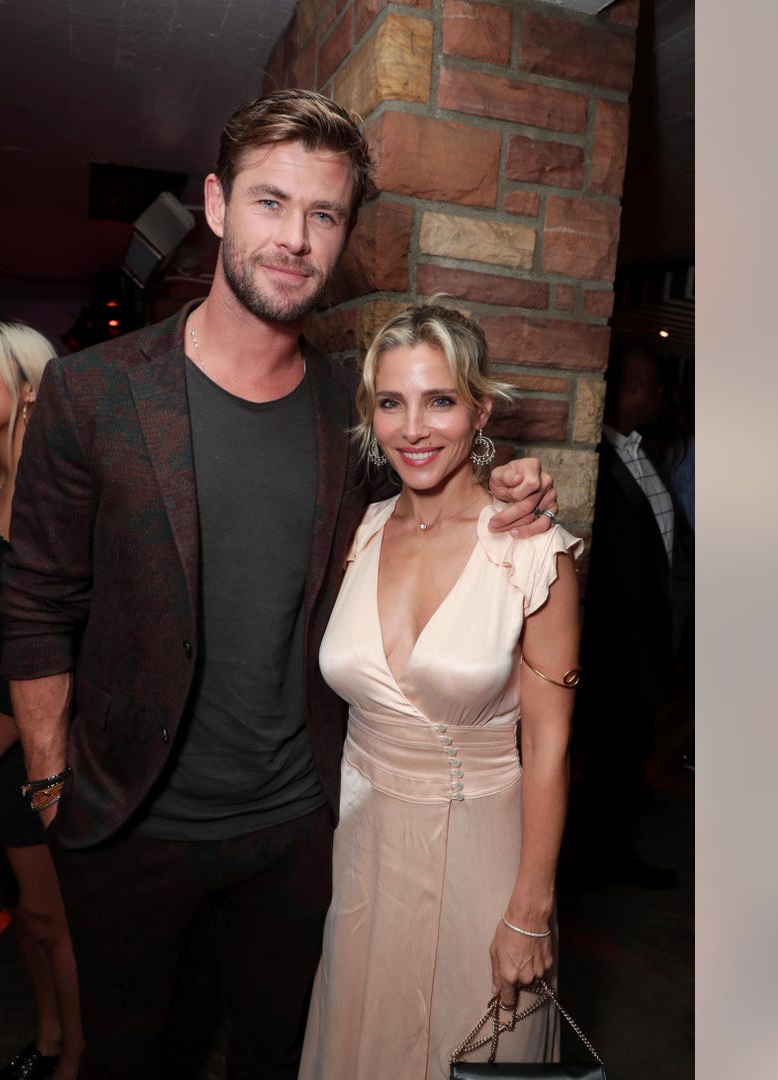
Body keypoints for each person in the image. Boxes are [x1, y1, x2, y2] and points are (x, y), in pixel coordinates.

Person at [0, 89, 560, 1080]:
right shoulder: (97, 393)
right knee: (128, 1059)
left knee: (278, 1055)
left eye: (324, 214)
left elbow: (438, 494)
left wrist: (511, 477)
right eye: (270, 202)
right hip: (130, 825)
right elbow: (38, 600)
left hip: (299, 829)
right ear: (217, 205)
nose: (294, 238)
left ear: (345, 233)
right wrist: (51, 779)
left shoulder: (352, 421)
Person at [298, 304, 582, 1077]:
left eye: (440, 400)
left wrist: (530, 910)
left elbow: (549, 745)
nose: (413, 428)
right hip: (364, 856)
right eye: (391, 402)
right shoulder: (356, 532)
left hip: (486, 860)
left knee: (470, 1046)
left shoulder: (534, 553)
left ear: (479, 410)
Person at [0, 320, 84, 1080]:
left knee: (53, 918)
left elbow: (47, 655)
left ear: (28, 386)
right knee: (19, 910)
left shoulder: (50, 506)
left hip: (21, 742)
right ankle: (45, 1040)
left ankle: (74, 1055)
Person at [567, 340, 695, 887]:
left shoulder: (644, 453)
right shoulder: (597, 461)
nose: (661, 392)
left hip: (650, 641)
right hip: (614, 648)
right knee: (605, 763)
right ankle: (590, 868)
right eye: (650, 381)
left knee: (628, 761)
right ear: (623, 387)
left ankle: (612, 857)